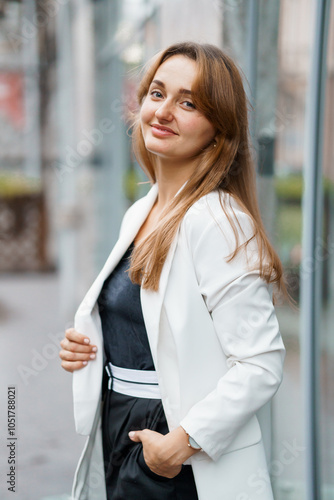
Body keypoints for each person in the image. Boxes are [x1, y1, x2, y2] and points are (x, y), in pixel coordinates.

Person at [59, 41, 286, 500]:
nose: (162, 112)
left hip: (175, 449)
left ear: (218, 132)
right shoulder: (143, 211)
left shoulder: (217, 219)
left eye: (188, 103)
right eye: (157, 93)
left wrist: (180, 445)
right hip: (121, 425)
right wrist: (91, 344)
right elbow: (155, 329)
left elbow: (261, 362)